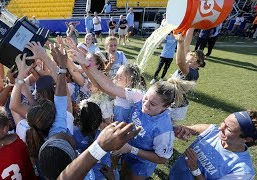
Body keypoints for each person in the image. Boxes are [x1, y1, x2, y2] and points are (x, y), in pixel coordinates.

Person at [68, 48, 196, 179]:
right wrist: (84, 63)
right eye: (146, 99)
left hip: (142, 162)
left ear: (166, 106)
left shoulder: (164, 130)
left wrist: (131, 149)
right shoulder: (138, 96)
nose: (144, 105)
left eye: (152, 104)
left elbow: (162, 159)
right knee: (122, 174)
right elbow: (105, 86)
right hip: (125, 150)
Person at [170, 110, 257, 179]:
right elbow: (188, 129)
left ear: (247, 139)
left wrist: (195, 169)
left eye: (229, 129)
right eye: (224, 122)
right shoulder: (212, 131)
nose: (220, 128)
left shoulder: (242, 171)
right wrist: (181, 130)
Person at [169, 30, 205, 121]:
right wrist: (191, 26)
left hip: (176, 107)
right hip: (176, 104)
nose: (186, 62)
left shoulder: (191, 72)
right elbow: (186, 45)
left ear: (198, 64)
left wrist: (179, 42)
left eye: (189, 62)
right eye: (187, 60)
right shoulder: (192, 68)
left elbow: (180, 62)